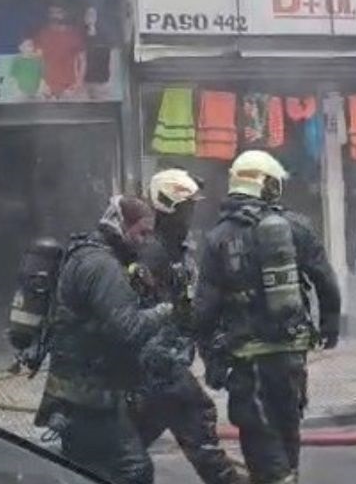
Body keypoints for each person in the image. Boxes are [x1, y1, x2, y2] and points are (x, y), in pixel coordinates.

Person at [195, 151, 342, 484]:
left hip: (248, 365)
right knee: (288, 434)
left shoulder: (218, 238)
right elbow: (326, 281)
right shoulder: (296, 227)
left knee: (261, 444)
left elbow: (204, 310)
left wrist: (212, 362)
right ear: (268, 185)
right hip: (291, 358)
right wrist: (329, 325)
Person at [35, 195, 172, 484]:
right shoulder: (102, 266)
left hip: (75, 392)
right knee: (134, 469)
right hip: (91, 395)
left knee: (86, 470)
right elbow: (127, 329)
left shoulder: (86, 254)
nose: (145, 241)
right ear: (120, 224)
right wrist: (163, 312)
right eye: (142, 232)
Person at [128, 170, 247, 484]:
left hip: (165, 372)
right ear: (168, 208)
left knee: (129, 450)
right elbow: (139, 315)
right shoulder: (152, 254)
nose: (191, 215)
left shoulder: (176, 250)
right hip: (159, 372)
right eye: (186, 208)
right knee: (200, 432)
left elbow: (188, 312)